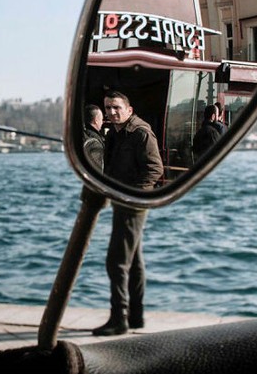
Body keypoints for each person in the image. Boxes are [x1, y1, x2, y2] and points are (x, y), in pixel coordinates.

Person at [92, 90, 163, 336]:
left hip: (133, 204)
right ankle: (135, 317)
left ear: (129, 110)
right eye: (108, 108)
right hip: (122, 201)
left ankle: (119, 319)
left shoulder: (140, 133)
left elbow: (155, 169)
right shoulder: (117, 133)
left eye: (116, 108)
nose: (111, 112)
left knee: (117, 261)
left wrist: (134, 196)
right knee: (133, 261)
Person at [83, 104, 105, 169]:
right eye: (102, 119)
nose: (102, 122)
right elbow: (97, 169)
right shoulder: (94, 143)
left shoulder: (83, 135)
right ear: (96, 120)